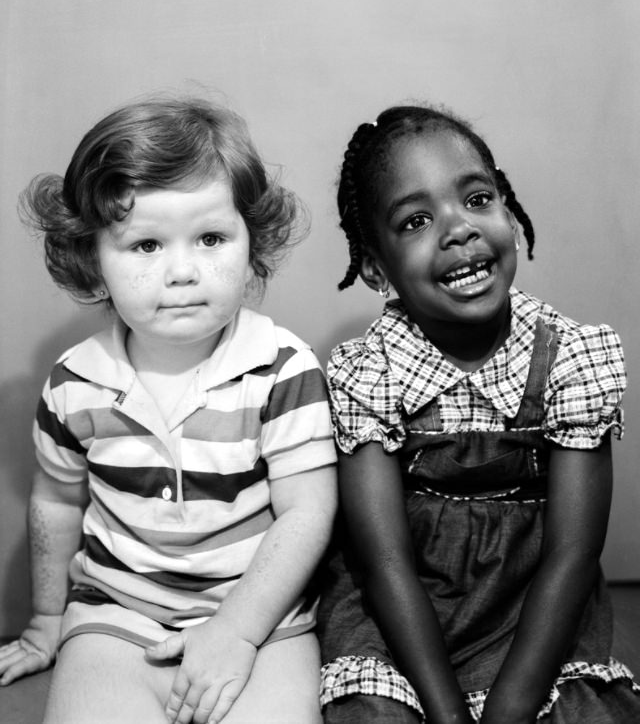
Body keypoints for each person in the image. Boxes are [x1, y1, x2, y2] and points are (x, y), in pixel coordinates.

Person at [0, 95, 337, 724]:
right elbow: (55, 499)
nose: (183, 271)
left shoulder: (282, 370)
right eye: (147, 246)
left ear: (251, 241)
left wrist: (237, 632)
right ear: (91, 258)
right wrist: (47, 619)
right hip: (116, 613)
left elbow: (308, 511)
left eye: (211, 237)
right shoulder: (75, 384)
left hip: (261, 617)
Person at [316, 104, 640, 723]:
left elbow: (573, 552)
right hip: (401, 612)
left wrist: (510, 711)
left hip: (532, 607)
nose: (459, 229)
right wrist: (445, 714)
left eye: (478, 198)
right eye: (415, 220)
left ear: (509, 216)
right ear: (375, 269)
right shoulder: (368, 372)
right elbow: (385, 563)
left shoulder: (571, 356)